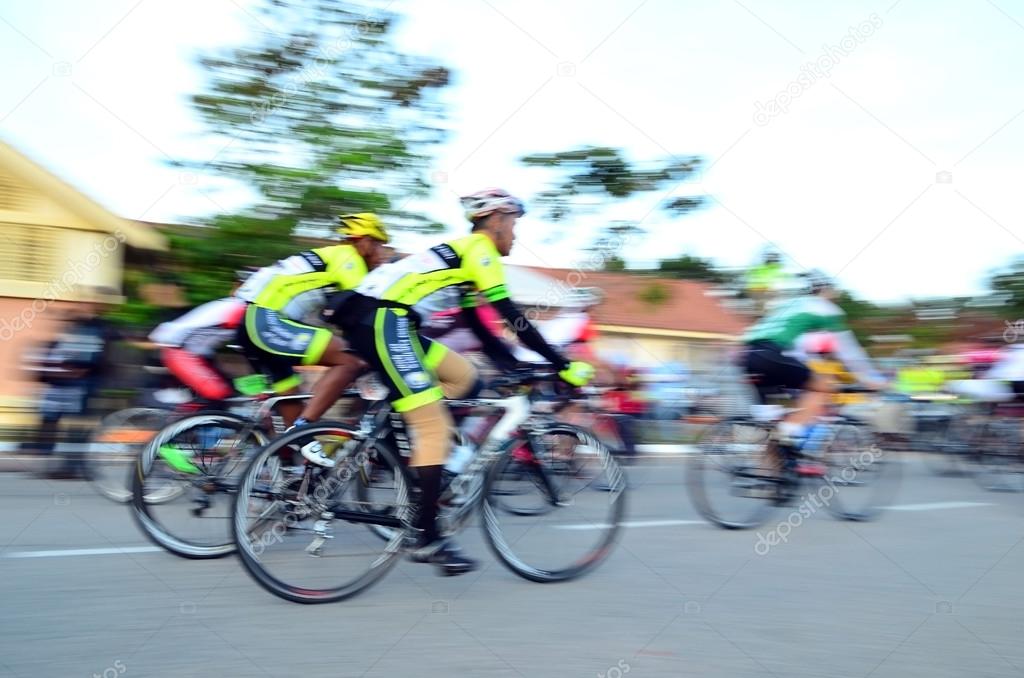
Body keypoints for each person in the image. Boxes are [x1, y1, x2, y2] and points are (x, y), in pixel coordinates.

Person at [324, 188, 595, 576]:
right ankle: (426, 538)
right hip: (385, 321)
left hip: (388, 321)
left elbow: (477, 326)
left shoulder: (463, 254)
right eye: (514, 225)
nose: (515, 235)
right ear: (497, 220)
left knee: (465, 378)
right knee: (432, 423)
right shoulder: (479, 249)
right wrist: (562, 363)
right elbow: (511, 316)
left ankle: (407, 453)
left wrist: (512, 365)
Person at [233, 213, 390, 462]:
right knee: (350, 362)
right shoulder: (349, 259)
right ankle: (304, 426)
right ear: (365, 242)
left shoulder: (330, 256)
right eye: (380, 245)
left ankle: (292, 477)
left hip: (255, 322)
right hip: (267, 321)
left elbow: (341, 316)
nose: (381, 254)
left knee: (294, 410)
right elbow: (365, 314)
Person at [740, 270, 883, 477]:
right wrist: (869, 378)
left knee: (774, 426)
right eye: (833, 292)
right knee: (823, 388)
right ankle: (790, 435)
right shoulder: (825, 307)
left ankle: (768, 481)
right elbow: (848, 350)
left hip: (748, 357)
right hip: (772, 355)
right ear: (826, 290)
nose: (835, 296)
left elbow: (798, 349)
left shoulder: (788, 306)